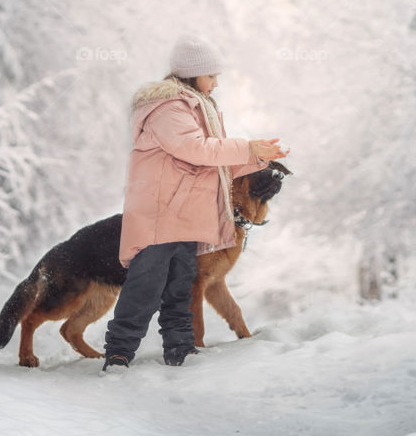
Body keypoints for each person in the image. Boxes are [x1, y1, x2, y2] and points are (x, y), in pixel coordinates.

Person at [102, 35, 289, 370]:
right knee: (145, 287)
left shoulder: (199, 107)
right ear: (192, 73)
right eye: (212, 76)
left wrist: (260, 159)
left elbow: (215, 161)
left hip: (188, 217)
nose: (216, 84)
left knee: (180, 289)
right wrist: (247, 148)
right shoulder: (168, 108)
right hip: (160, 216)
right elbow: (197, 150)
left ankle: (181, 350)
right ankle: (118, 353)